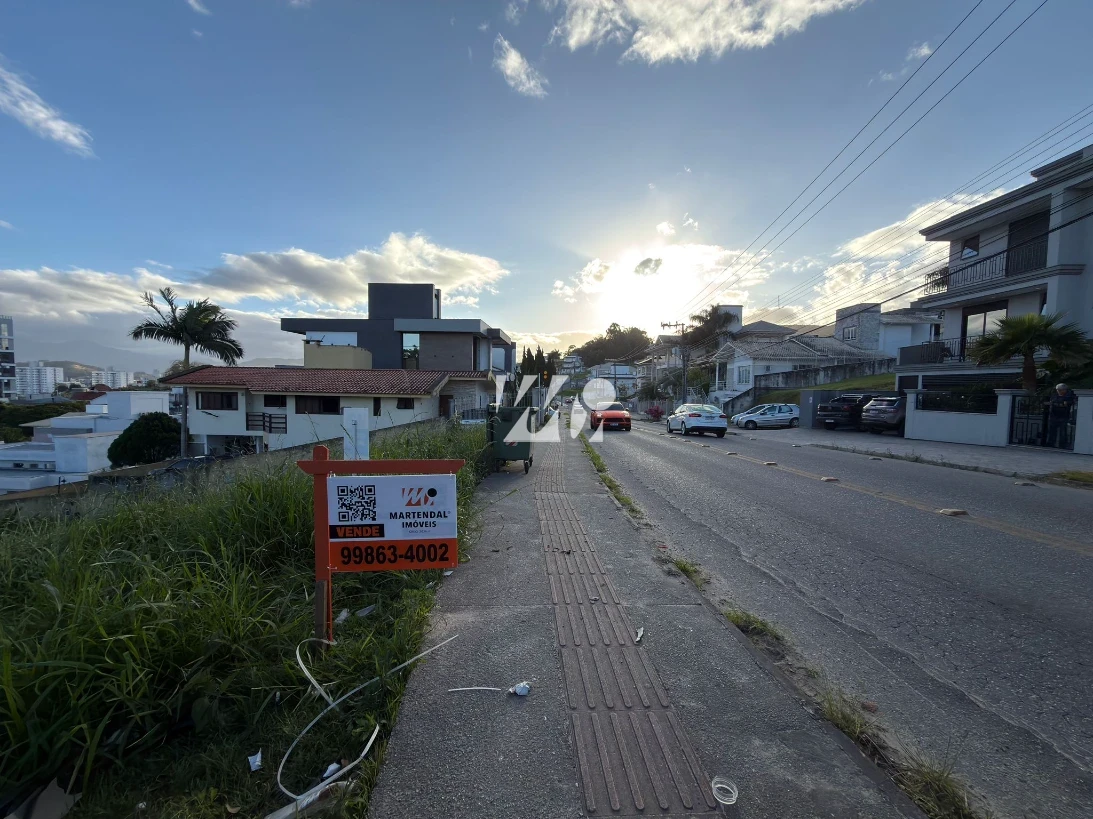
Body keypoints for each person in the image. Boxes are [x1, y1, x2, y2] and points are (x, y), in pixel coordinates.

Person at [1045, 383, 1076, 448]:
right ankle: (1051, 443)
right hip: (1053, 415)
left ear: (1065, 390)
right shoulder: (1054, 395)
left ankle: (1063, 445)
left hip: (1064, 415)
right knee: (1052, 431)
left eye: (1061, 390)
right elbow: (1051, 402)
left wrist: (1062, 404)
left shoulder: (1069, 396)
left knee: (1063, 432)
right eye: (1058, 390)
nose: (1059, 391)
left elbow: (1070, 403)